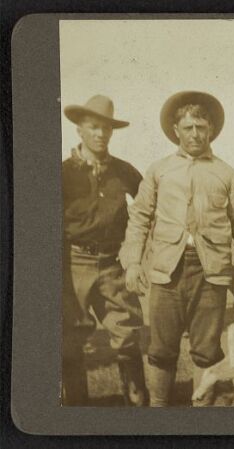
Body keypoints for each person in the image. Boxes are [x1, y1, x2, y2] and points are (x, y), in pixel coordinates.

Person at [120, 91, 234, 406]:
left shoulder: (227, 174)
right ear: (176, 130)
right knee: (160, 350)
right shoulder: (159, 170)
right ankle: (158, 415)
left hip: (211, 273)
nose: (195, 135)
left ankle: (200, 418)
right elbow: (139, 218)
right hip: (166, 273)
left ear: (211, 129)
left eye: (201, 127)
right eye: (188, 128)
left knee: (206, 349)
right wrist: (133, 262)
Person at [61, 94, 147, 406]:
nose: (100, 134)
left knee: (126, 335)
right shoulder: (62, 173)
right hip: (74, 263)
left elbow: (148, 209)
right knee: (70, 340)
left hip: (113, 263)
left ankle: (138, 406)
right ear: (79, 130)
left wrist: (136, 252)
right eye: (93, 127)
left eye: (106, 129)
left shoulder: (124, 172)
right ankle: (76, 410)